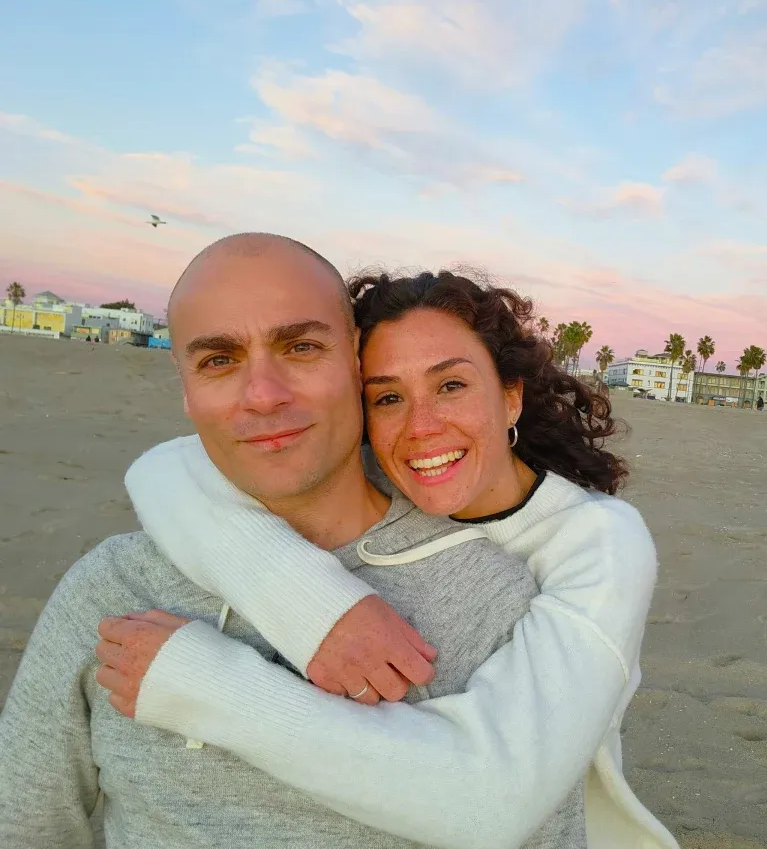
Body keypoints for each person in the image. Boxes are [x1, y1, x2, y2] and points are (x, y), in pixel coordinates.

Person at [0, 235, 586, 848]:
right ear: (186, 390)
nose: (263, 394)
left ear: (359, 362)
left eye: (301, 346)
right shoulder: (114, 590)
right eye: (219, 361)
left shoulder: (496, 602)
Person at [103, 268, 680, 848]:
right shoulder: (378, 477)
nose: (421, 428)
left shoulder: (600, 541)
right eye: (387, 397)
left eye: (451, 385)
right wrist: (308, 604)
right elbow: (167, 469)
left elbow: (493, 800)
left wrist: (204, 687)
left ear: (510, 396)